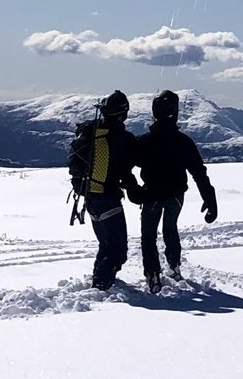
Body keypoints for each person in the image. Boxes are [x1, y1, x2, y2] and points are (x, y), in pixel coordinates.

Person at [133, 89, 218, 292]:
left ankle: (153, 274)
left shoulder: (144, 141)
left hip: (151, 194)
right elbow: (199, 172)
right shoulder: (184, 142)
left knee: (148, 236)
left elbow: (126, 166)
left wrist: (132, 189)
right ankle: (174, 267)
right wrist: (210, 198)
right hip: (176, 196)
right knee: (170, 229)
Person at [68, 90, 144, 291]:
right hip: (108, 198)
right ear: (123, 114)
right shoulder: (122, 138)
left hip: (89, 196)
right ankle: (101, 286)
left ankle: (100, 280)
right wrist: (136, 191)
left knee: (106, 244)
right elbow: (125, 170)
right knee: (117, 249)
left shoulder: (91, 131)